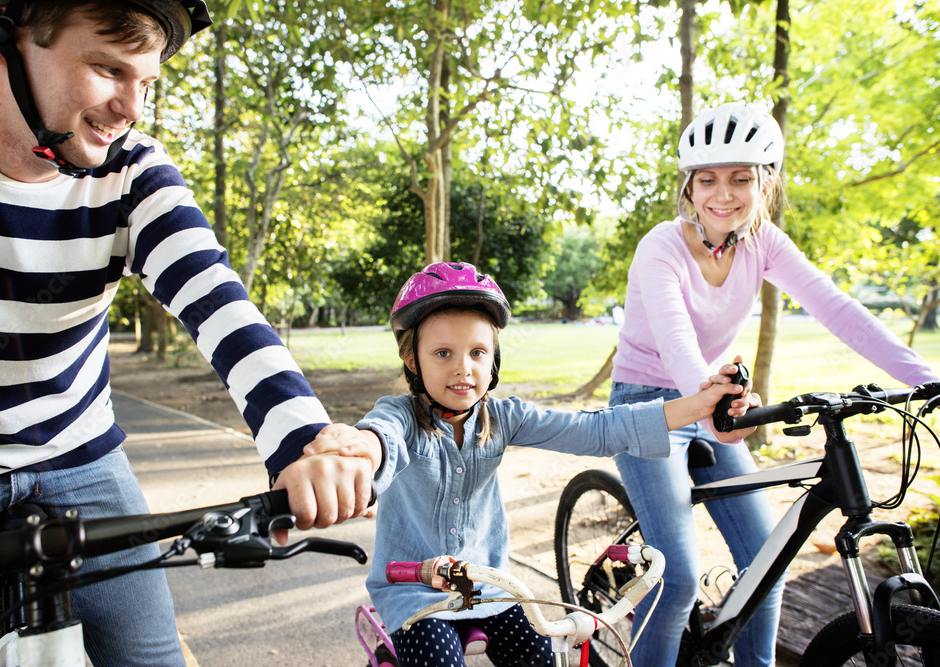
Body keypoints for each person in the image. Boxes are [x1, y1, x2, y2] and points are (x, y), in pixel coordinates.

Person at [0, 1, 371, 664]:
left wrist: (303, 443)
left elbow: (219, 303)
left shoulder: (131, 168)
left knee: (151, 658)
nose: (131, 109)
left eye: (147, 83)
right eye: (109, 70)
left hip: (79, 452)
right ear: (4, 41)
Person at [609, 102, 940, 666]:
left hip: (716, 403)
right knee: (679, 578)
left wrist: (926, 378)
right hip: (648, 406)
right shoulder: (660, 245)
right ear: (688, 187)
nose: (724, 193)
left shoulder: (764, 241)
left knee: (769, 557)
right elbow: (676, 342)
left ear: (767, 183)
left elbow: (838, 309)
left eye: (742, 177)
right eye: (707, 179)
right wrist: (716, 406)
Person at [309, 261, 755, 667]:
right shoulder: (401, 416)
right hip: (415, 594)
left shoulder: (503, 418)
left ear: (493, 360)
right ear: (413, 359)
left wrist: (699, 405)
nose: (463, 369)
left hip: (489, 592)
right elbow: (379, 437)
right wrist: (361, 452)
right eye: (443, 353)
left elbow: (599, 429)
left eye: (477, 353)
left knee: (543, 658)